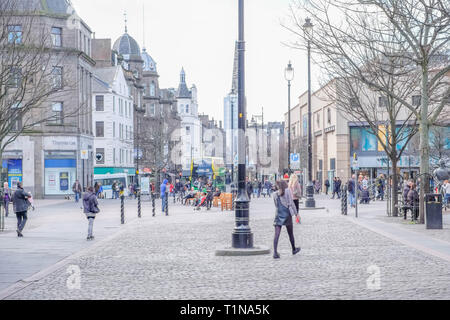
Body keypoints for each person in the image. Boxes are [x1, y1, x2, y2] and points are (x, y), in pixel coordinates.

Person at [272, 180, 301, 260]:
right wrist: (296, 214)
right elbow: (291, 203)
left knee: (276, 234)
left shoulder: (274, 194)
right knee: (290, 233)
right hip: (287, 214)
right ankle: (294, 249)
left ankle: (275, 252)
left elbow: (276, 205)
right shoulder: (287, 191)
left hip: (278, 214)